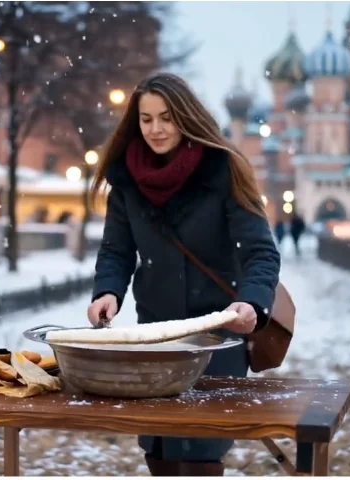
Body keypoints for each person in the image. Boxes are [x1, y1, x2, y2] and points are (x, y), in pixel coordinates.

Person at [85, 73, 281, 476]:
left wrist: (252, 302)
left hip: (217, 333)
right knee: (158, 447)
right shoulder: (127, 179)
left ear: (186, 117)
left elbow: (261, 253)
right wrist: (108, 291)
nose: (156, 129)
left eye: (167, 118)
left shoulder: (223, 169)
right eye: (146, 118)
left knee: (199, 450)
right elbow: (117, 250)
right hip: (155, 333)